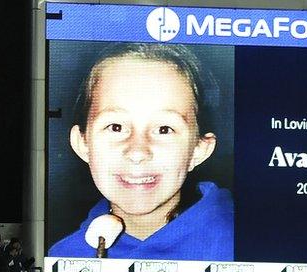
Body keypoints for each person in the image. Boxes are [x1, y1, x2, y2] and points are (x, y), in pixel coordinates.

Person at [47, 43, 231, 260]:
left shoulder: (240, 243)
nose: (137, 152)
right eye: (116, 127)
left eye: (164, 129)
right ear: (82, 143)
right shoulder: (65, 256)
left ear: (199, 149)